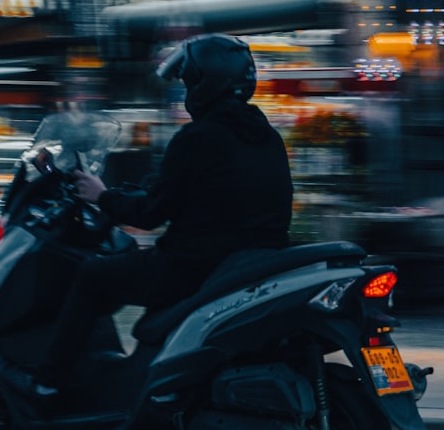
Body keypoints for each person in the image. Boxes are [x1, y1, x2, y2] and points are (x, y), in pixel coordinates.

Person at [31, 33, 293, 397]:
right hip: (249, 263)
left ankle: (49, 381)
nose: (185, 92)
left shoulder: (198, 138)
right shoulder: (267, 136)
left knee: (93, 275)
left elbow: (150, 213)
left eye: (188, 82)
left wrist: (102, 196)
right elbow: (186, 194)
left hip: (194, 267)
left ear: (203, 85)